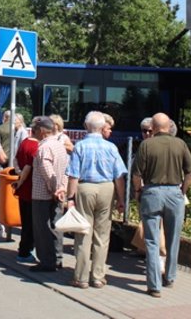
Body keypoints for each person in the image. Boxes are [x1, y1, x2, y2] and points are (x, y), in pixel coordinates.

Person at [133, 112, 191, 297]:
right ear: (169, 126)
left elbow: (137, 174)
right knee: (173, 238)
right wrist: (182, 190)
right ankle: (169, 277)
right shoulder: (180, 144)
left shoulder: (146, 144)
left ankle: (154, 286)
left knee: (152, 241)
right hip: (174, 193)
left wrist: (138, 192)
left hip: (151, 192)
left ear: (152, 127)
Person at [64, 111, 128, 289]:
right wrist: (121, 200)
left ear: (86, 127)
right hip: (107, 188)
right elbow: (119, 177)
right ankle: (98, 277)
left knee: (84, 232)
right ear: (102, 128)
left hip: (86, 188)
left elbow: (73, 176)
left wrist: (70, 198)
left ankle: (81, 277)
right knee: (102, 234)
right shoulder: (111, 147)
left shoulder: (80, 146)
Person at [30, 116, 69, 273]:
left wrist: (53, 188)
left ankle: (47, 261)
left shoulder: (44, 147)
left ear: (41, 131)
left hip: (43, 194)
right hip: (58, 193)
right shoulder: (60, 145)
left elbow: (47, 170)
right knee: (56, 226)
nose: (33, 132)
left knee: (42, 229)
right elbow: (66, 169)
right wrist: (62, 188)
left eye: (35, 130)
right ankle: (57, 258)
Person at [10, 118, 39, 263]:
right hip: (31, 189)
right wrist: (22, 179)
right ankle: (25, 251)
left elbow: (15, 160)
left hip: (23, 190)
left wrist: (18, 172)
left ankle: (24, 249)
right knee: (31, 223)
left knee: (25, 221)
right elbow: (29, 167)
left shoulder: (24, 143)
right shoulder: (35, 147)